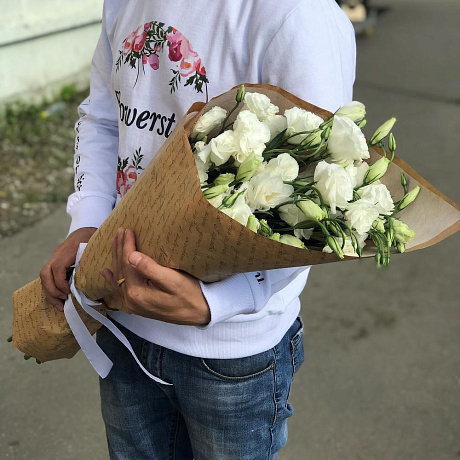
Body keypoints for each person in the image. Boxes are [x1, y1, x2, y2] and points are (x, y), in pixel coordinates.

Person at [39, 0, 356, 458]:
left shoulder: (295, 16)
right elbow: (106, 117)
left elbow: (324, 194)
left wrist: (224, 299)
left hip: (230, 354)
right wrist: (87, 221)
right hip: (122, 318)